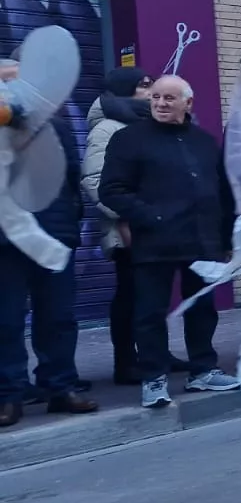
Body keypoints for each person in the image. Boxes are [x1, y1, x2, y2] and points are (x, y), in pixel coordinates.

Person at [99, 76, 241, 408]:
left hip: (202, 239)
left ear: (188, 103)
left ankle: (203, 370)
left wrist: (228, 235)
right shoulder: (128, 139)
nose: (161, 103)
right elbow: (112, 190)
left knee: (203, 308)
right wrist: (151, 217)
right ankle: (154, 378)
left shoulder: (204, 142)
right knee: (150, 312)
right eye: (156, 98)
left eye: (169, 98)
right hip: (155, 241)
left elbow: (224, 192)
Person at [0, 112, 99, 427]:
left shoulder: (54, 125)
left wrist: (70, 225)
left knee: (58, 318)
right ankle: (9, 395)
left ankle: (60, 387)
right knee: (6, 321)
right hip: (6, 239)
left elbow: (72, 175)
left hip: (54, 235)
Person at [82, 67, 157, 385]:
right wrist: (128, 217)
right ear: (126, 89)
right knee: (130, 295)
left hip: (154, 225)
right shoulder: (107, 129)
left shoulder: (147, 122)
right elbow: (96, 182)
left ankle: (155, 354)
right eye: (144, 85)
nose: (151, 89)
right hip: (127, 228)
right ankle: (125, 363)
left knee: (153, 297)